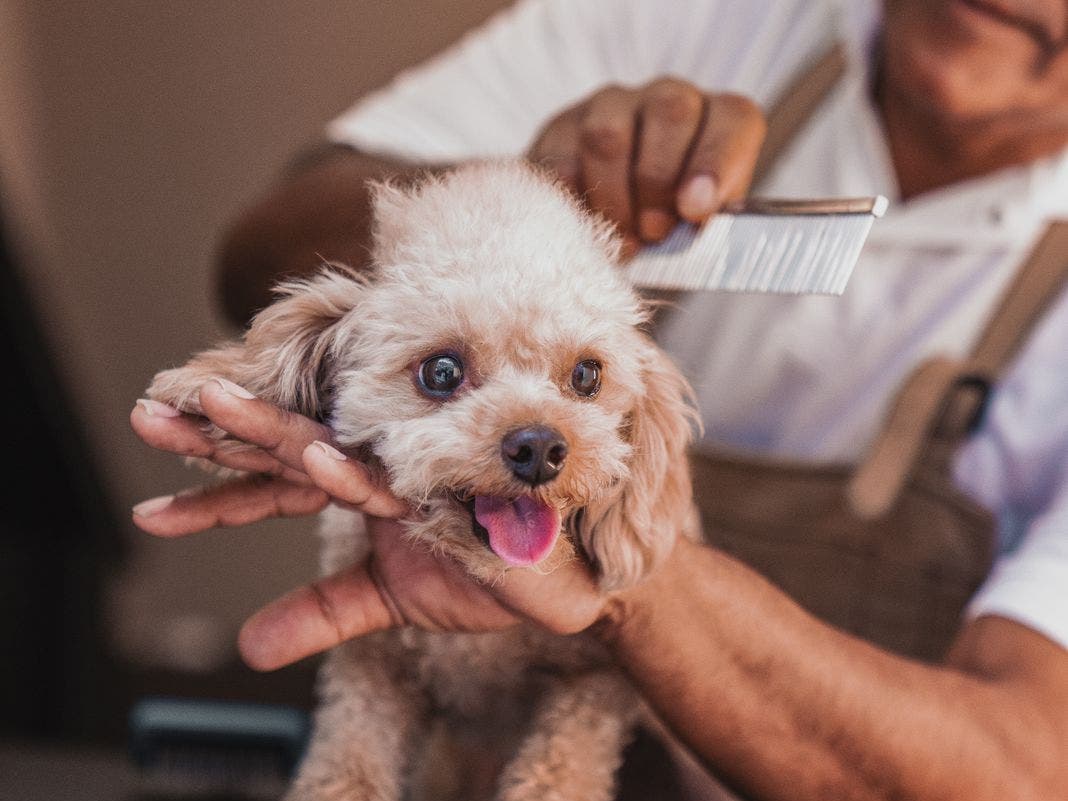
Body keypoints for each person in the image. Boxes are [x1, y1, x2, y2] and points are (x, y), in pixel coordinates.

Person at [131, 0, 1068, 798]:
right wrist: (525, 195)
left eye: (585, 377)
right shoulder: (706, 19)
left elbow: (1024, 766)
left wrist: (628, 579)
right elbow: (260, 251)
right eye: (445, 372)